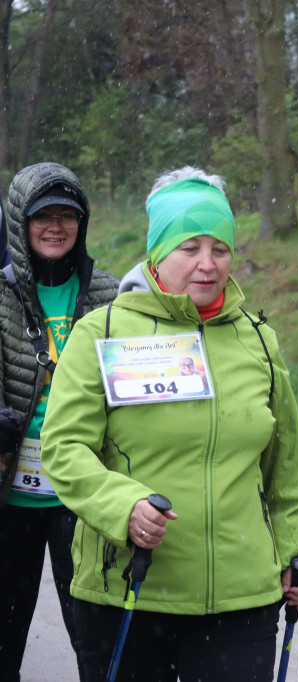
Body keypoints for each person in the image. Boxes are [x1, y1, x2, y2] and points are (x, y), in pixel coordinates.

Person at [40, 167, 298, 682]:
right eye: (190, 247)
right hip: (132, 592)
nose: (207, 265)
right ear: (158, 253)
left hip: (243, 600)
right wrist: (123, 507)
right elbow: (63, 449)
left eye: (220, 248)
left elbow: (282, 465)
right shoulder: (100, 332)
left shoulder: (258, 340)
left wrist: (295, 548)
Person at [0, 163, 119, 681]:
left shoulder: (112, 297)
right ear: (18, 224)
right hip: (11, 499)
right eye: (42, 215)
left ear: (82, 223)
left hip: (86, 497)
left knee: (97, 643)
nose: (55, 226)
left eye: (67, 215)